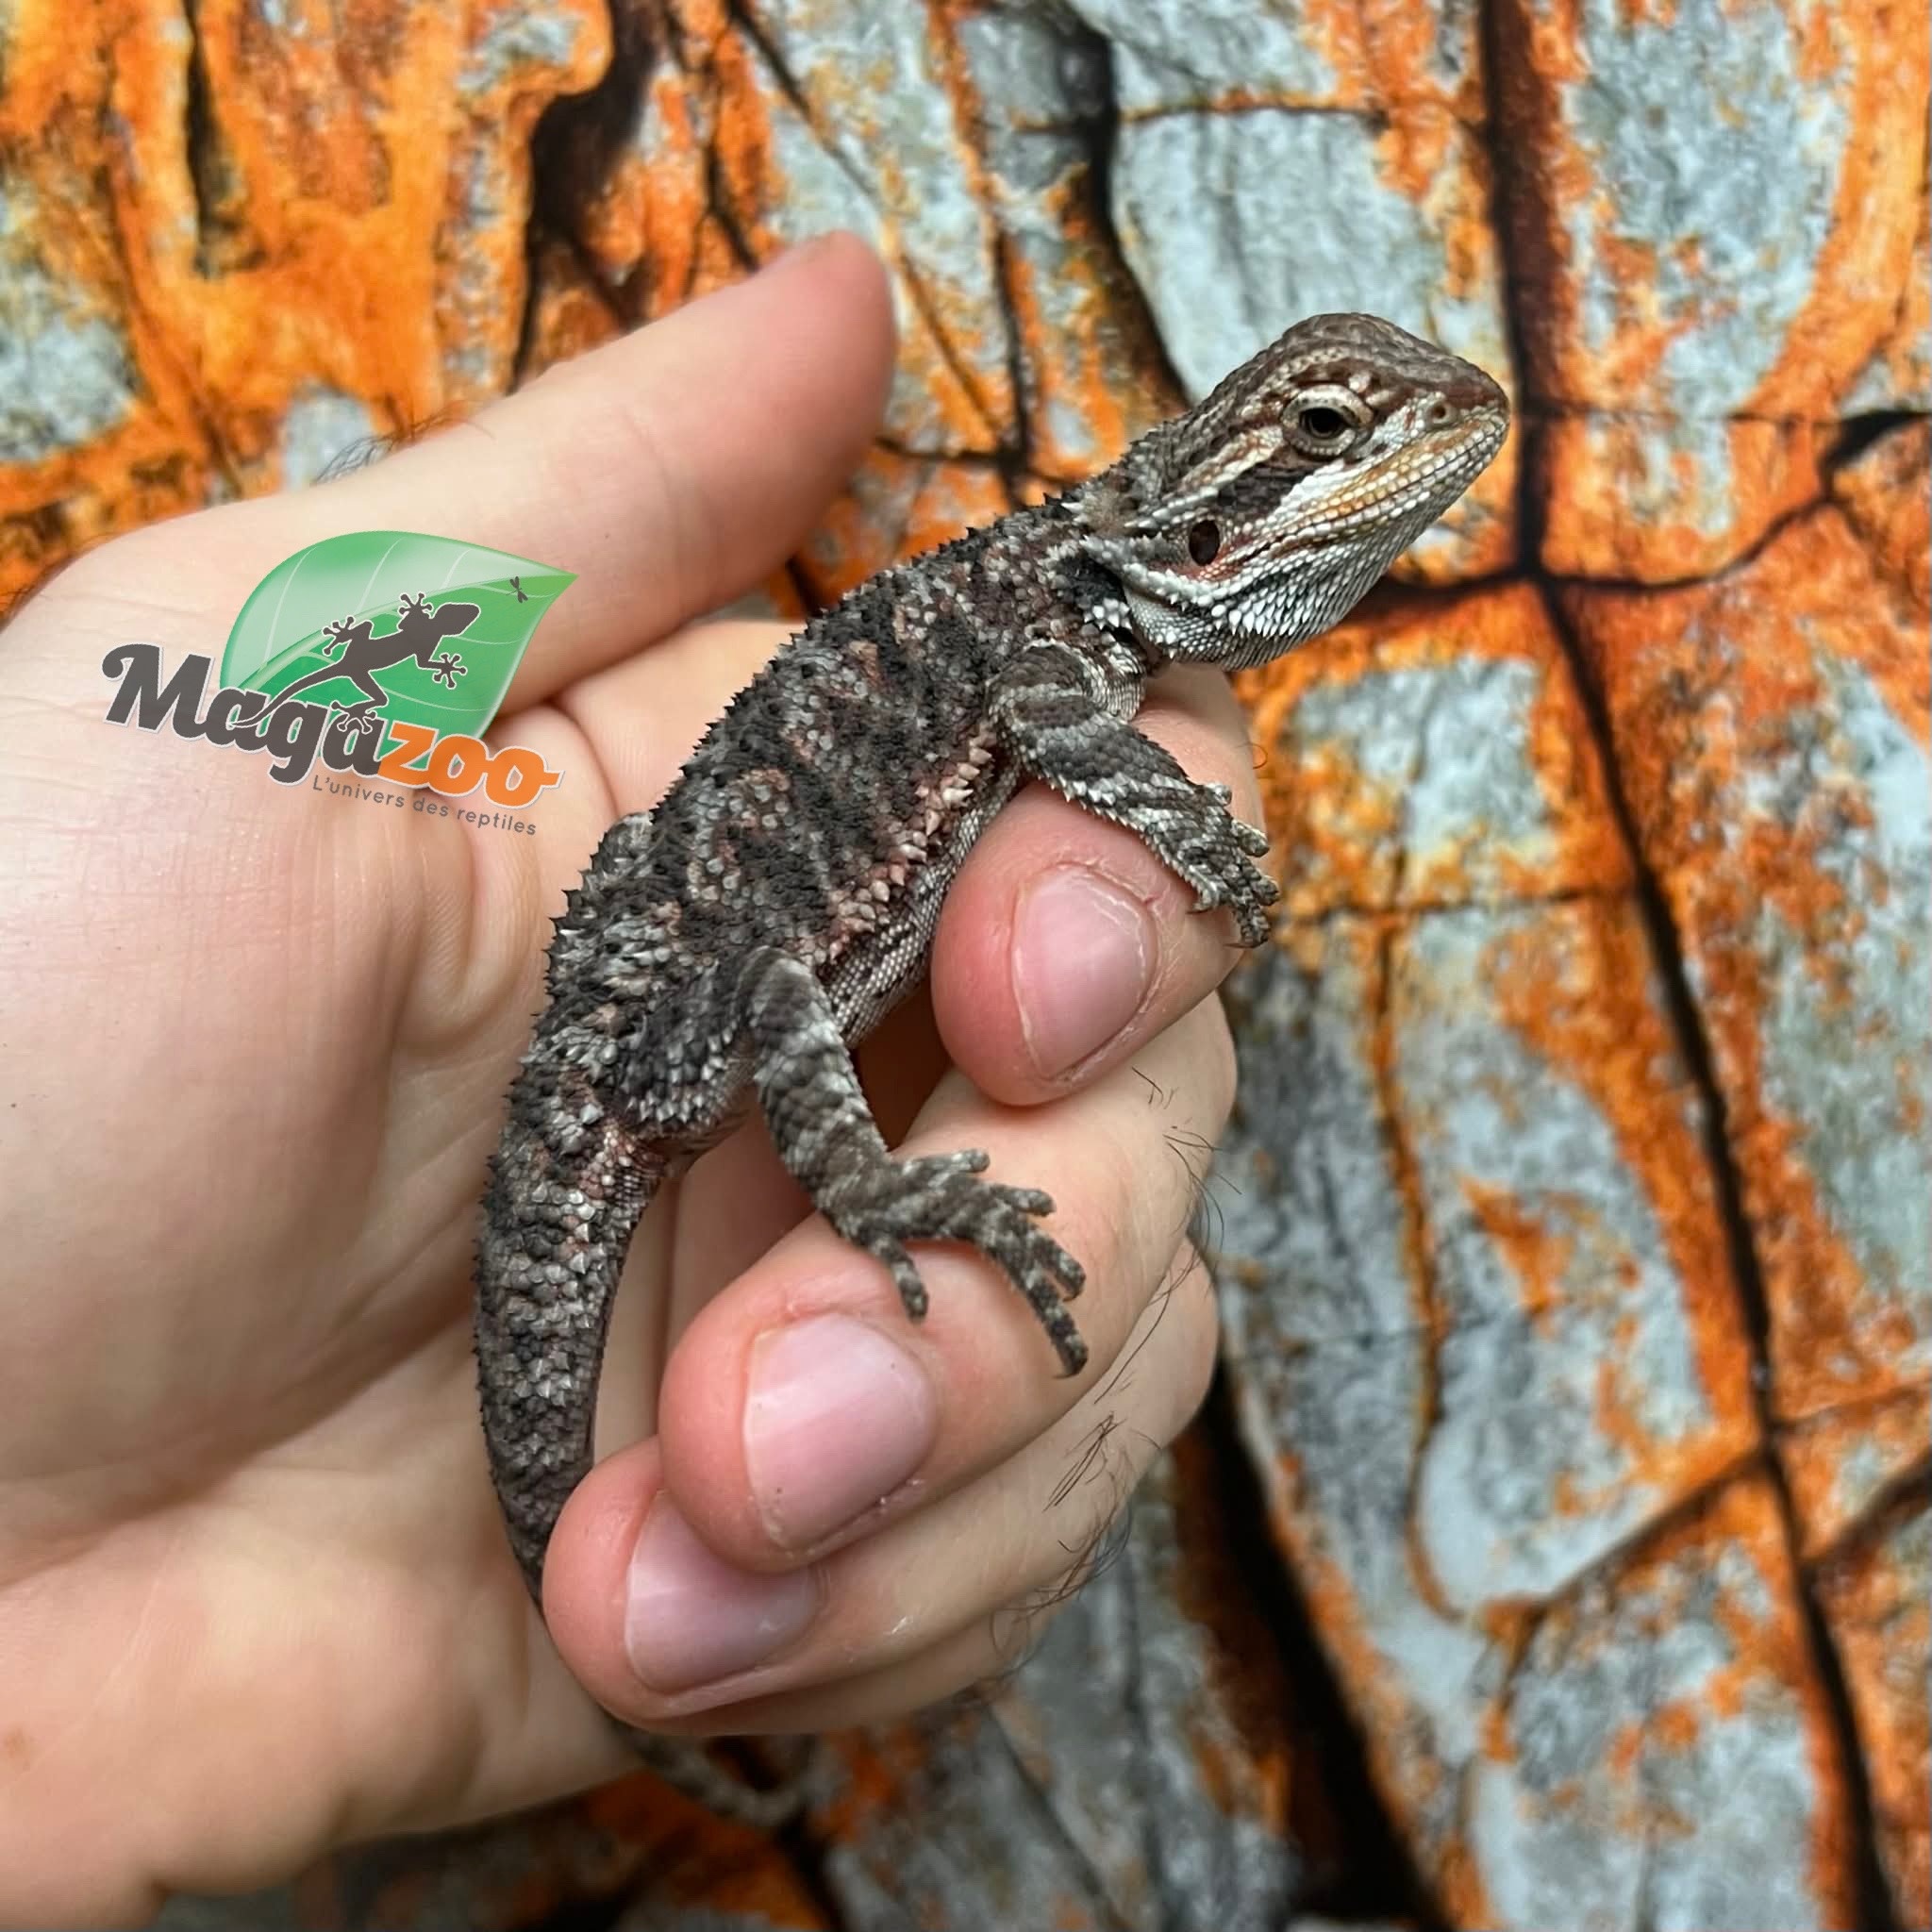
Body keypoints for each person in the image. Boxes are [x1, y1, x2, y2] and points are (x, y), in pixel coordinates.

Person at [0, 235, 1246, 1924]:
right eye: (1323, 427)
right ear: (1218, 515)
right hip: (667, 1021)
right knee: (781, 989)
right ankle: (869, 1193)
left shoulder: (1065, 621)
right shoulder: (1051, 622)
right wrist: (1178, 828)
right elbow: (1036, 725)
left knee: (812, 1010)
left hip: (642, 1034)